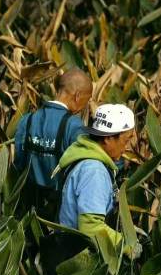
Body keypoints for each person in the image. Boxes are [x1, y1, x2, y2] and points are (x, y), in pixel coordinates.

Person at [54, 103, 139, 259]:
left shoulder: (81, 152)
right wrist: (126, 245)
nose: (127, 147)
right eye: (125, 140)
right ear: (108, 138)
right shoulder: (94, 171)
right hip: (79, 257)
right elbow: (90, 226)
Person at [13, 67, 92, 215]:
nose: (84, 107)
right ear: (77, 96)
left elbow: (18, 164)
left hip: (27, 210)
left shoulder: (27, 120)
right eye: (86, 100)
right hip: (58, 214)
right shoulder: (74, 127)